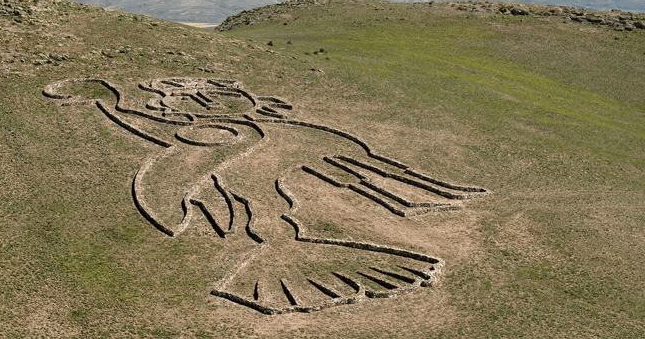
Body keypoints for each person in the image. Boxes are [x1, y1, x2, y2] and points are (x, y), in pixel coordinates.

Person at [45, 77, 489, 314]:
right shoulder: (219, 134)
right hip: (255, 205)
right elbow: (166, 140)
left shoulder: (236, 133)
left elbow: (168, 145)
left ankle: (285, 264)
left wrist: (110, 103)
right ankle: (282, 264)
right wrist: (110, 103)